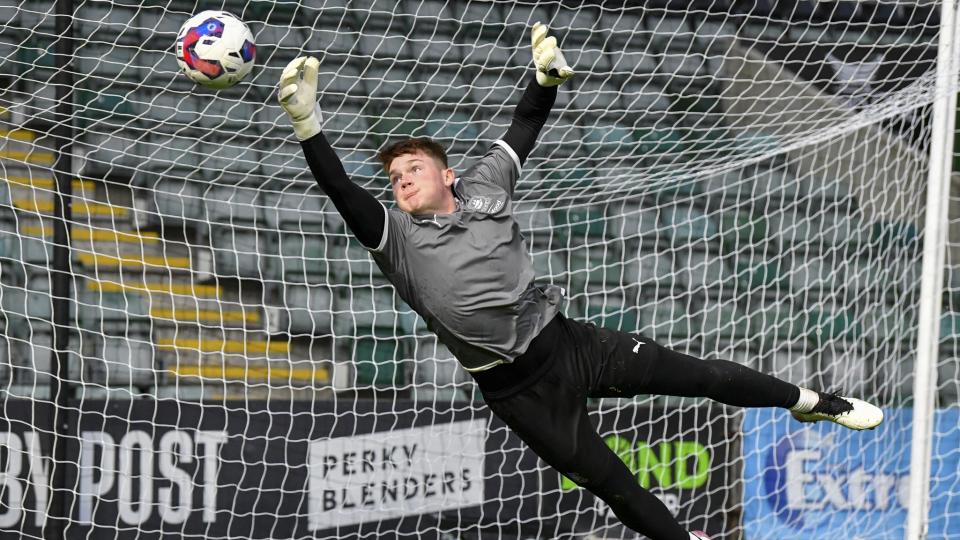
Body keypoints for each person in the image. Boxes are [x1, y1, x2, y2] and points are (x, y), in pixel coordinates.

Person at [277, 23, 883, 540]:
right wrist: (309, 124)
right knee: (614, 485)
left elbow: (524, 124)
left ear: (448, 173)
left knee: (701, 375)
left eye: (413, 168)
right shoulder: (397, 240)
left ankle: (815, 403)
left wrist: (544, 78)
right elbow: (341, 189)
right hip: (519, 392)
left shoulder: (484, 185)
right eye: (395, 177)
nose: (402, 180)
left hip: (568, 342)